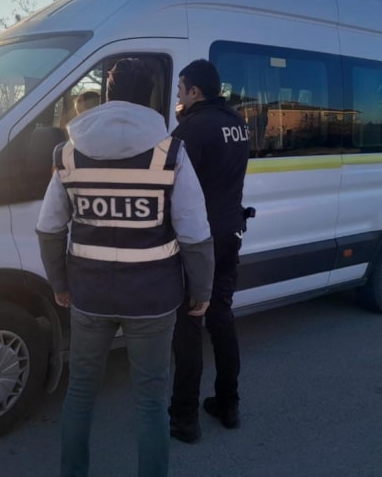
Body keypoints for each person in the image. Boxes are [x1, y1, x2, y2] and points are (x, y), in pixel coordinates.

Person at [36, 58, 214, 477]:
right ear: (149, 99)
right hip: (153, 300)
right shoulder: (170, 153)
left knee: (80, 394)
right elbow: (195, 232)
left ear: (108, 95)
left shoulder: (68, 154)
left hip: (89, 296)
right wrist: (201, 291)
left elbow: (49, 228)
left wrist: (60, 284)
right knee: (150, 403)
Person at [169, 59, 250, 443]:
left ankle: (184, 417)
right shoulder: (238, 123)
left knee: (189, 323)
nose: (178, 95)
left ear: (194, 91)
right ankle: (229, 403)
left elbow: (171, 186)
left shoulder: (190, 130)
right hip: (231, 231)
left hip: (199, 242)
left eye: (180, 89)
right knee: (221, 317)